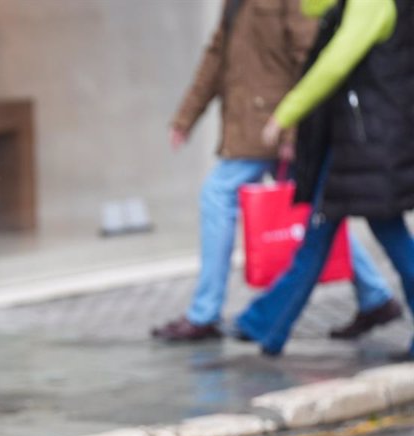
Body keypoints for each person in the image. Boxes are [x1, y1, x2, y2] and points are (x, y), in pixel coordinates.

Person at [153, 0, 400, 342]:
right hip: (267, 123)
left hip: (281, 123)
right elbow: (216, 55)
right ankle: (372, 296)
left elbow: (318, 58)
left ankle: (215, 315)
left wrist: (291, 126)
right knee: (322, 217)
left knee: (224, 195)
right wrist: (185, 117)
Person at [235, 0, 414, 358]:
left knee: (366, 238)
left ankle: (264, 324)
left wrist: (285, 114)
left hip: (367, 146)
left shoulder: (372, 3)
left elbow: (334, 64)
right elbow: (314, 8)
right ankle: (265, 325)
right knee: (329, 238)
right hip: (355, 145)